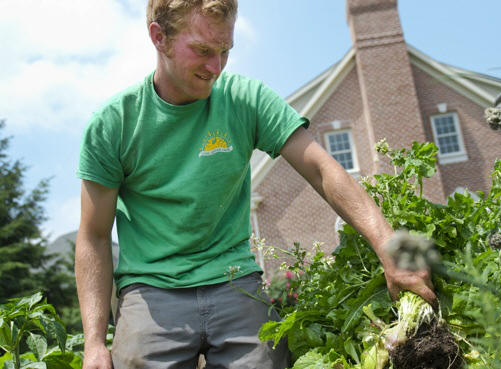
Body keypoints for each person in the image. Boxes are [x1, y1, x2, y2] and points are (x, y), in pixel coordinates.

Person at [75, 0, 436, 368]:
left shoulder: (244, 99)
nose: (215, 67)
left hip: (234, 282)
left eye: (225, 51)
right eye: (202, 50)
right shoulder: (114, 124)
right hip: (151, 293)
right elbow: (94, 236)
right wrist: (94, 344)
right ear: (159, 37)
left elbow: (322, 169)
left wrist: (390, 247)